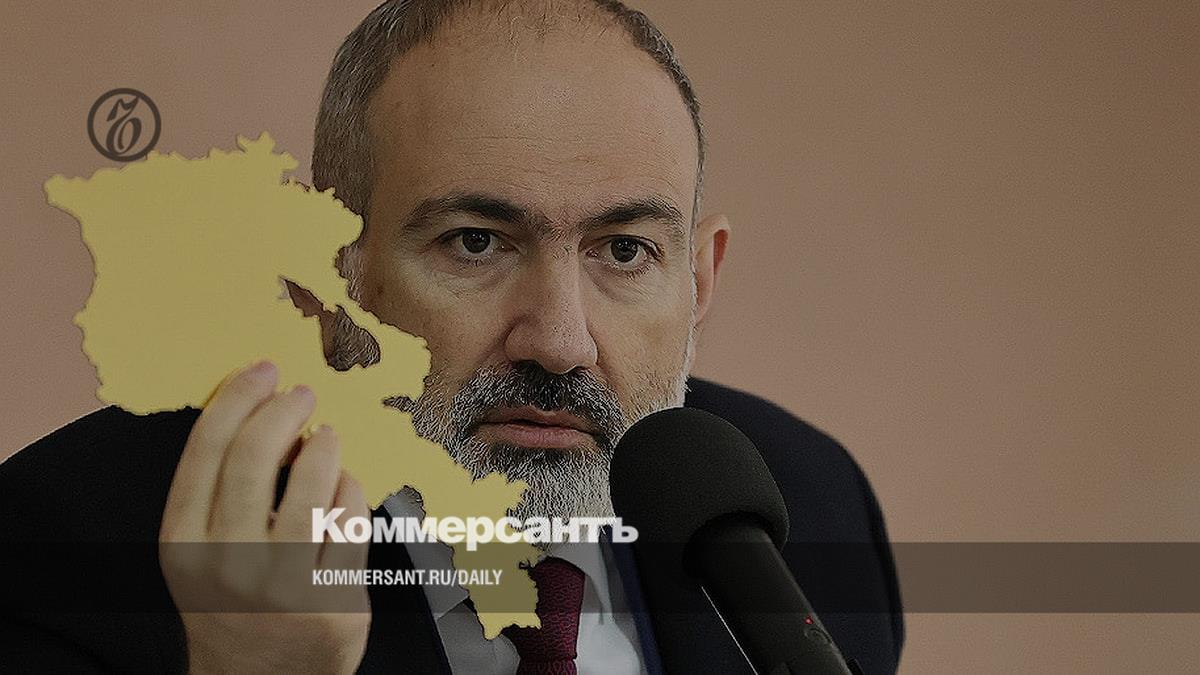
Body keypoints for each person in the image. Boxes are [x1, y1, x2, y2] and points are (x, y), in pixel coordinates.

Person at [0, 1, 904, 673]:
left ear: (699, 280)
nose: (559, 342)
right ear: (324, 272)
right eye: (476, 242)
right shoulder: (65, 551)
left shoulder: (810, 509)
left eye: (625, 251)